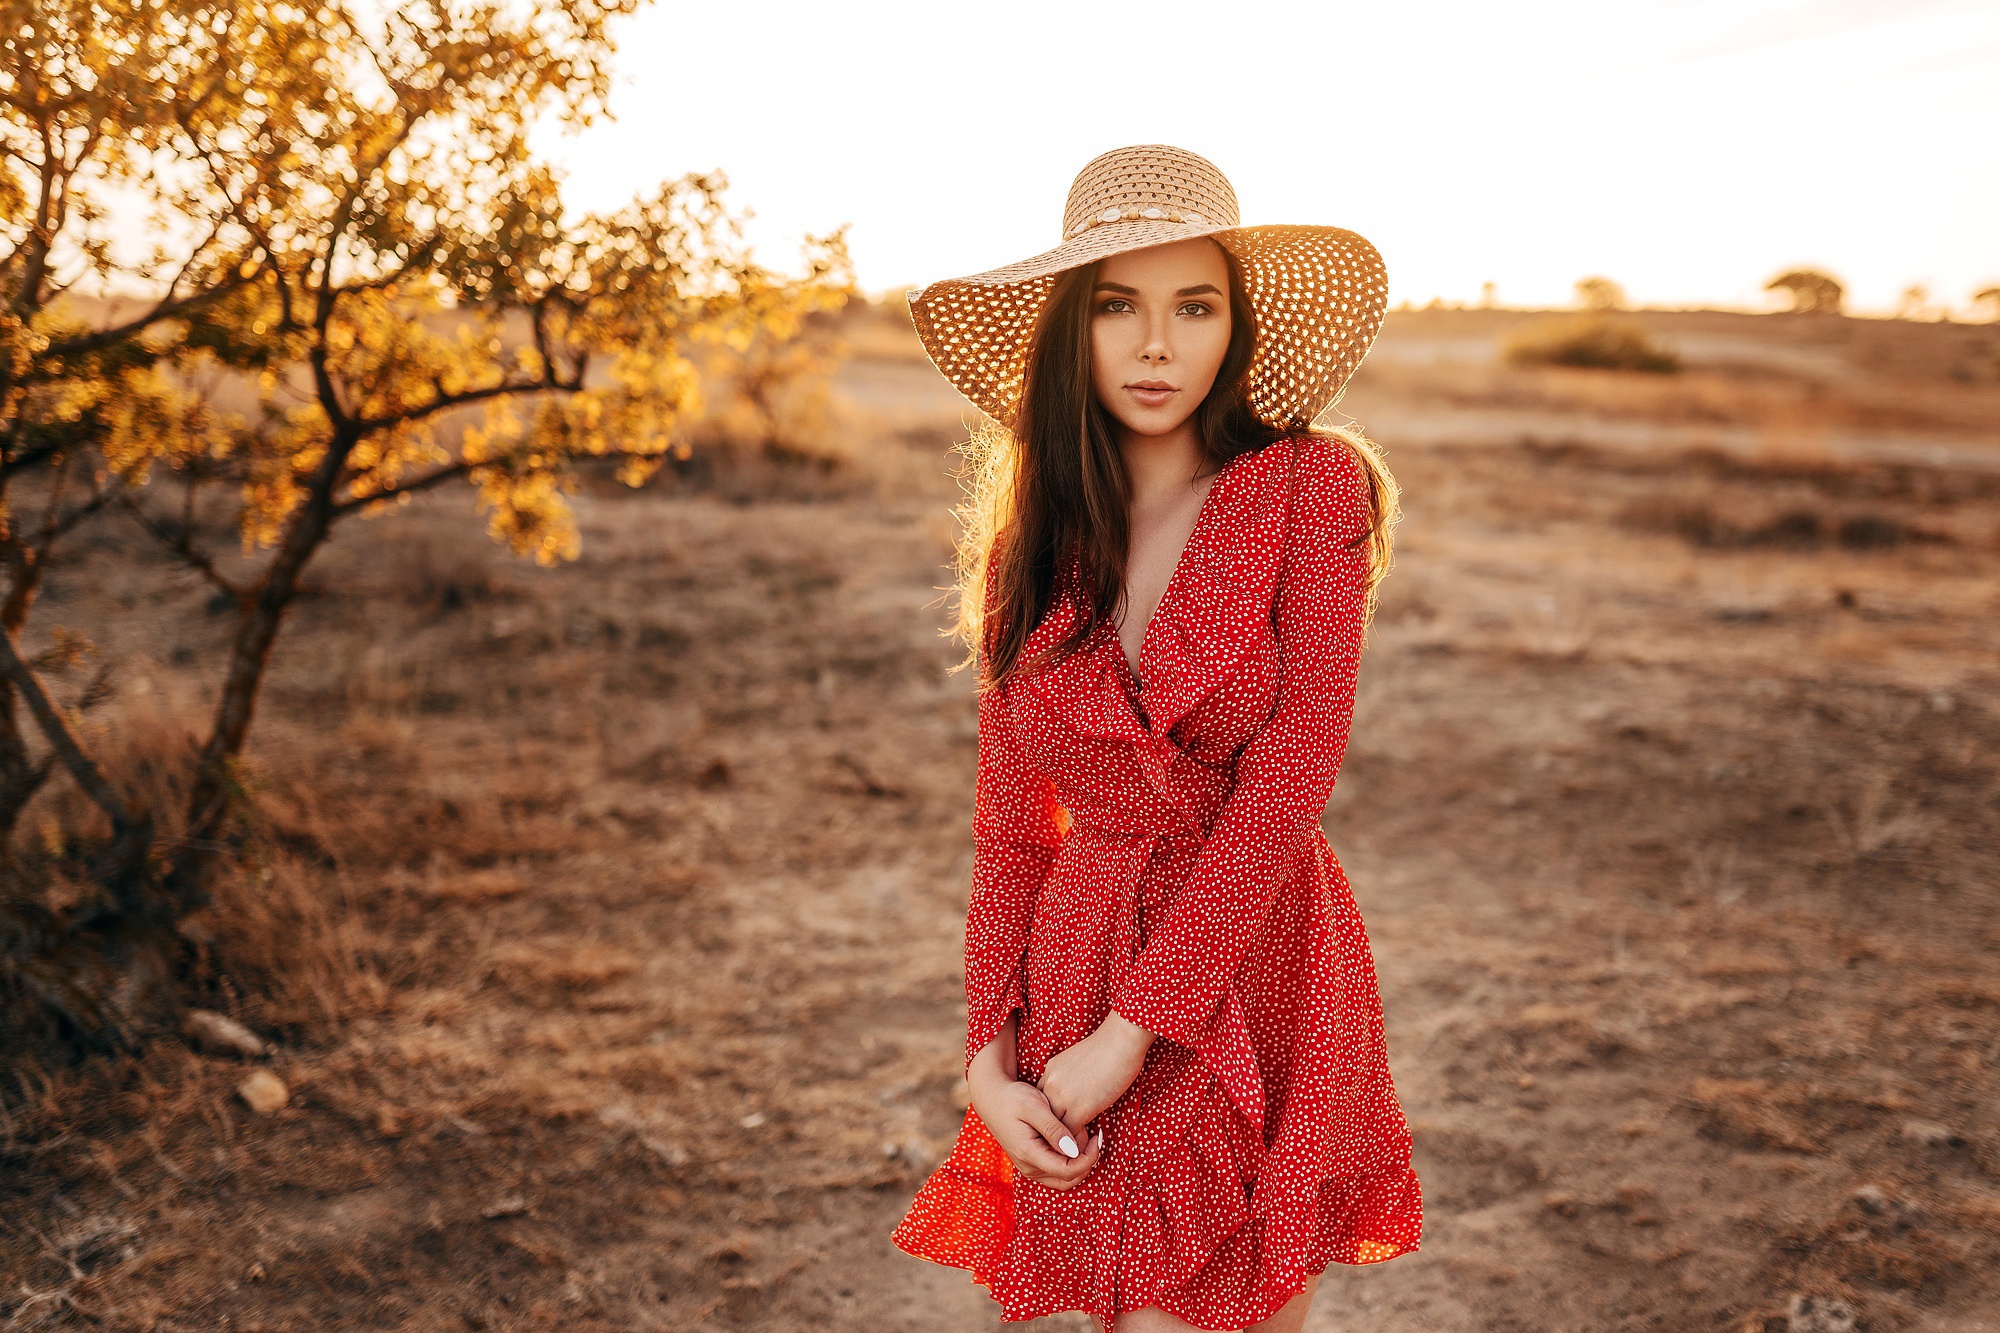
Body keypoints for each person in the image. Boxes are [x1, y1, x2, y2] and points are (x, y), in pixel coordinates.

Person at [891, 145, 1423, 1333]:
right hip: (1071, 967)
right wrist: (987, 1054)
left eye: (1193, 307)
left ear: (1232, 331)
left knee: (1195, 1312)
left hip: (1248, 946)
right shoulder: (1029, 541)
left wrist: (1135, 1033)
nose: (1153, 346)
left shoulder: (1308, 490)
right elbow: (1010, 827)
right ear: (1071, 330)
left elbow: (1291, 777)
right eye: (1118, 307)